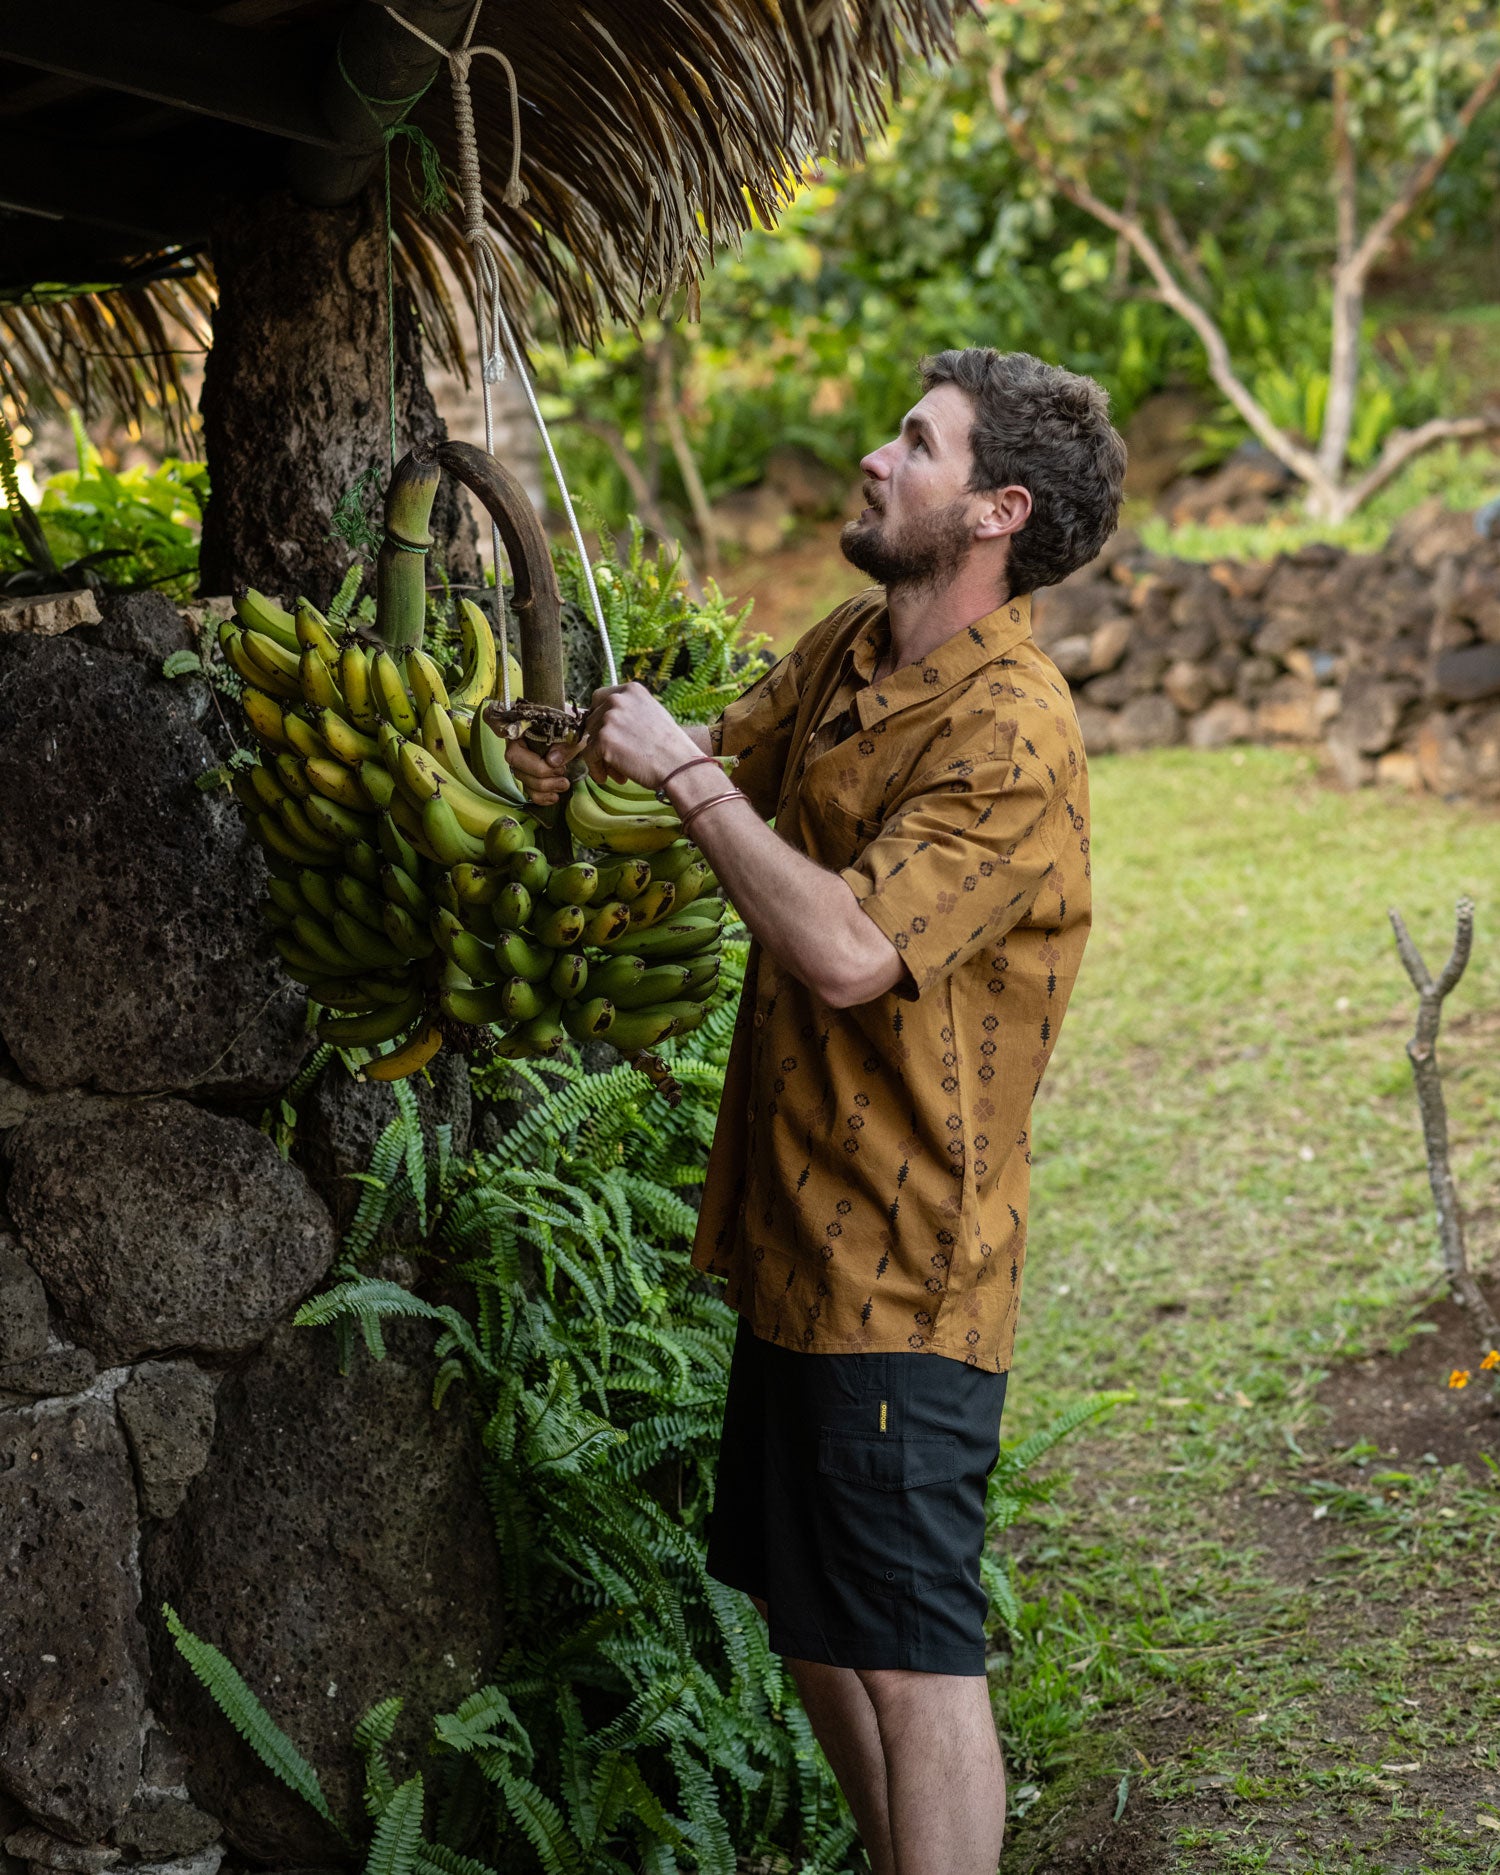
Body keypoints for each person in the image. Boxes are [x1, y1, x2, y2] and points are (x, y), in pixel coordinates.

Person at [507, 348, 1126, 1875]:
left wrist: (692, 789)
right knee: (806, 1611)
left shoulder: (1014, 736)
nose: (873, 458)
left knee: (917, 1654)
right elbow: (709, 763)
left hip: (907, 1265)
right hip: (796, 1234)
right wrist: (588, 756)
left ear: (996, 510)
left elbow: (850, 949)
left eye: (914, 445)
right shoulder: (857, 647)